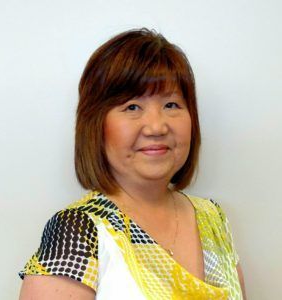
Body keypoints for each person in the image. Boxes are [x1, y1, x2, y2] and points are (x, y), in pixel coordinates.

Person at [19, 28, 246, 299]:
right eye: (132, 107)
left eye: (172, 104)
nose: (156, 127)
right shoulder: (78, 231)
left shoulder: (212, 218)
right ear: (96, 125)